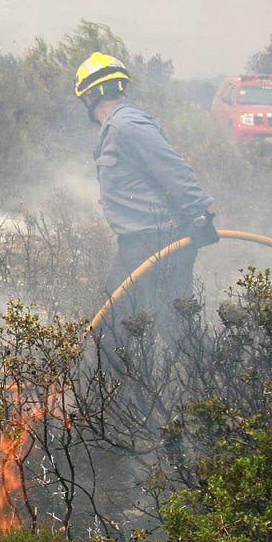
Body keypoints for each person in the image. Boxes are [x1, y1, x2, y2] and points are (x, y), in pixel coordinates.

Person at [74, 52, 218, 344]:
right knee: (165, 326)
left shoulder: (126, 126)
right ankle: (194, 379)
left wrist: (199, 215)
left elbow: (172, 168)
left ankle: (203, 380)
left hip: (155, 243)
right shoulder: (118, 127)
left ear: (89, 95)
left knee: (118, 329)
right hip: (144, 243)